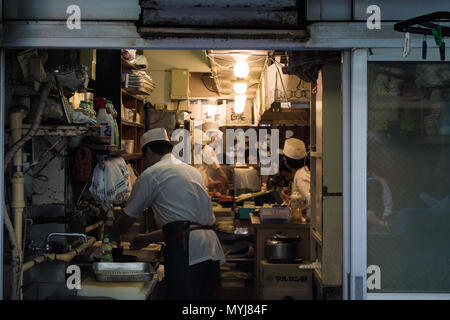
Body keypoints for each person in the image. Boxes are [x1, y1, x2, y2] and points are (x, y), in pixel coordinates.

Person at [110, 128, 225, 300]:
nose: (145, 162)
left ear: (148, 151)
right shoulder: (191, 170)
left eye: (144, 158)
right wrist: (147, 238)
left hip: (187, 251)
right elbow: (184, 224)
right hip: (211, 249)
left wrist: (110, 236)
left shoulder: (151, 174)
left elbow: (127, 219)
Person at [193, 122, 228, 193]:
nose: (215, 139)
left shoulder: (193, 148)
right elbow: (220, 173)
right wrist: (227, 185)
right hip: (200, 191)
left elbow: (199, 170)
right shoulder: (207, 149)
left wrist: (209, 181)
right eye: (214, 136)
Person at [282, 138, 311, 218]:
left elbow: (312, 200)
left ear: (285, 161)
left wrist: (297, 210)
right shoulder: (300, 173)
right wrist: (294, 195)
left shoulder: (301, 176)